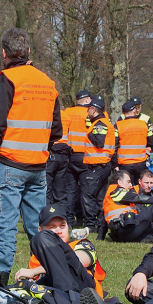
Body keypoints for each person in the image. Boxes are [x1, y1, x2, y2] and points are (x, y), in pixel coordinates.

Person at [0, 27, 62, 288]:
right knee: (40, 229)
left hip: (9, 164)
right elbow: (56, 129)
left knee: (4, 229)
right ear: (27, 52)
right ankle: (56, 278)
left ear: (4, 53)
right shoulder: (47, 82)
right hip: (37, 166)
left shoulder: (6, 79)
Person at [102, 171, 153, 243]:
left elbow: (103, 217)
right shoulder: (117, 192)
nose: (131, 184)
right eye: (128, 182)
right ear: (120, 182)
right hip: (124, 230)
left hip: (127, 230)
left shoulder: (113, 192)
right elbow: (139, 198)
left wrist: (100, 237)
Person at [81, 96, 114, 238]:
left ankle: (90, 224)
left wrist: (89, 134)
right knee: (100, 197)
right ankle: (100, 223)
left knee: (88, 194)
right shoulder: (101, 122)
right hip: (102, 164)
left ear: (94, 110)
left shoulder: (100, 124)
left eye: (88, 109)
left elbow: (99, 143)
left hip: (98, 164)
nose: (87, 112)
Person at [64, 90, 91, 227]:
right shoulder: (89, 113)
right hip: (84, 155)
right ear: (87, 100)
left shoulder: (68, 111)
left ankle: (69, 220)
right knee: (85, 189)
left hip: (69, 155)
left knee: (70, 190)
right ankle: (85, 220)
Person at [113, 101, 153, 184]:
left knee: (126, 189)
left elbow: (113, 145)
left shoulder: (118, 125)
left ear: (123, 112)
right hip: (141, 162)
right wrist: (147, 154)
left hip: (124, 163)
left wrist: (115, 164)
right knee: (141, 188)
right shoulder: (144, 124)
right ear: (134, 111)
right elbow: (151, 143)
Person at [45, 104, 72, 213]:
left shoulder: (50, 114)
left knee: (46, 189)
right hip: (64, 154)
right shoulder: (67, 117)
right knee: (60, 191)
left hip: (52, 153)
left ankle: (46, 216)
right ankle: (62, 217)